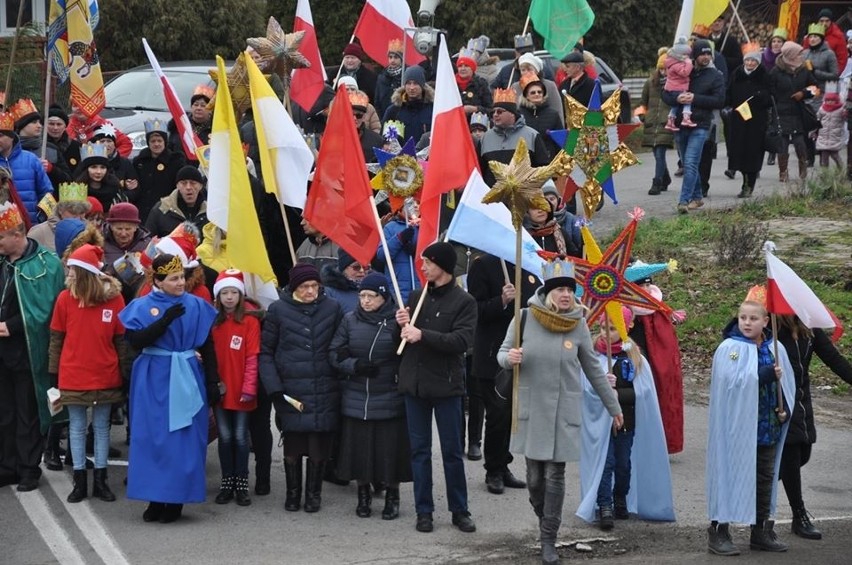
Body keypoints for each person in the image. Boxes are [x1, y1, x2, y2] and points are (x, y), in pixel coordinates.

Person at [496, 254, 623, 565]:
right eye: (559, 290)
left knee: (555, 476)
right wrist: (509, 357)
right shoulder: (524, 317)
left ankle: (548, 538)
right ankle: (544, 518)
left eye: (570, 290)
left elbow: (593, 369)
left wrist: (614, 407)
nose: (566, 295)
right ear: (547, 292)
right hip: (531, 409)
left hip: (564, 413)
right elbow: (501, 354)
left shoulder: (578, 325)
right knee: (535, 479)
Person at [118, 253, 220, 524]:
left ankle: (175, 500)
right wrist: (164, 320)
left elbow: (208, 347)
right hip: (152, 376)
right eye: (173, 279)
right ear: (158, 281)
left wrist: (213, 382)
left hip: (185, 374)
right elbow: (136, 341)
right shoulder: (142, 306)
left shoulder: (197, 305)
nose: (180, 283)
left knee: (182, 439)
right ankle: (155, 497)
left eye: (182, 278)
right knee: (152, 439)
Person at [395, 242, 477, 534]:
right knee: (419, 451)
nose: (423, 267)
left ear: (443, 265)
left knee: (452, 452)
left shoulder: (464, 301)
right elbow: (403, 343)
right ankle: (424, 510)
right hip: (415, 386)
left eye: (428, 262)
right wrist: (401, 326)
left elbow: (462, 342)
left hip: (446, 386)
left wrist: (422, 334)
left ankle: (459, 509)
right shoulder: (417, 296)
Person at [706, 286, 794, 555]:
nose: (747, 323)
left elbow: (789, 387)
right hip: (735, 431)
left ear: (766, 322)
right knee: (730, 476)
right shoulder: (729, 349)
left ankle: (761, 531)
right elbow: (730, 384)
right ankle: (719, 530)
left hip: (767, 427)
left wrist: (785, 412)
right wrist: (764, 374)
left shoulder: (775, 348)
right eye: (743, 317)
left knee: (765, 478)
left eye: (753, 319)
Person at [577, 306, 674, 531]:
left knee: (623, 464)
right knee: (606, 463)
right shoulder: (592, 356)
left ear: (625, 328)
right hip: (600, 425)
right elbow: (583, 388)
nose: (605, 333)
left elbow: (644, 392)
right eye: (602, 327)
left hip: (626, 423)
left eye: (611, 328)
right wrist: (600, 387)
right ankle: (604, 505)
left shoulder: (635, 357)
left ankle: (620, 496)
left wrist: (620, 393)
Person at [259, 263, 344, 513]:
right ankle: (293, 494)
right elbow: (266, 352)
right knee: (294, 445)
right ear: (295, 287)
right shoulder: (277, 310)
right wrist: (273, 387)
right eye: (305, 286)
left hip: (323, 387)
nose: (311, 291)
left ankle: (313, 495)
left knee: (319, 446)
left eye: (315, 286)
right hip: (290, 388)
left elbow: (341, 345)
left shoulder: (332, 308)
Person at [48, 244, 128, 503]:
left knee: (102, 428)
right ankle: (80, 481)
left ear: (84, 272)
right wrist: (53, 373)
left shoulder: (115, 299)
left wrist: (125, 371)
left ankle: (101, 481)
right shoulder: (65, 299)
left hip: (105, 372)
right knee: (77, 427)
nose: (69, 273)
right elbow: (56, 338)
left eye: (73, 269)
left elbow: (121, 340)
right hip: (73, 373)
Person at [329, 272, 412, 520]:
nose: (365, 300)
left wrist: (402, 330)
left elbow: (406, 353)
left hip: (389, 395)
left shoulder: (398, 320)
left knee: (389, 452)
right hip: (356, 396)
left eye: (371, 296)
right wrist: (354, 365)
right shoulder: (349, 320)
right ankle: (363, 495)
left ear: (383, 296)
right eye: (362, 295)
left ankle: (392, 496)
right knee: (360, 451)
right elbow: (335, 352)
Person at [0, 202, 64, 491]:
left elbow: (47, 309)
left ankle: (28, 469)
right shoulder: (2, 261)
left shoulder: (47, 264)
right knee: (5, 412)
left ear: (17, 234)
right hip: (2, 354)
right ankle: (7, 466)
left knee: (28, 412)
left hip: (27, 351)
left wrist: (10, 326)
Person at [466, 252, 537, 495]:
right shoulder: (483, 265)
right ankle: (493, 470)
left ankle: (503, 464)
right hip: (491, 354)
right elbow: (473, 310)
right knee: (496, 414)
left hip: (522, 352)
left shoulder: (527, 261)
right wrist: (502, 301)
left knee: (509, 415)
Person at [776, 315, 851, 540]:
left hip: (802, 399)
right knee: (791, 454)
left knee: (803, 455)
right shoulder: (771, 328)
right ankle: (799, 516)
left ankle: (758, 486)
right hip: (779, 401)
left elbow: (833, 359)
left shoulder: (810, 330)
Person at [210, 270, 261, 508]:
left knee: (240, 437)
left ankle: (241, 482)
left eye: (234, 292)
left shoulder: (249, 321)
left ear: (241, 295)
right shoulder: (213, 321)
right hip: (220, 389)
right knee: (225, 437)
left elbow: (252, 357)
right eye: (225, 293)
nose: (229, 297)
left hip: (242, 389)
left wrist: (249, 387)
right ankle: (226, 481)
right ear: (218, 296)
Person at [662, 39, 725, 214]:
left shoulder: (715, 75)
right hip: (680, 124)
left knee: (690, 162)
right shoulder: (684, 71)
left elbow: (720, 101)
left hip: (701, 125)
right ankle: (697, 197)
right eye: (702, 54)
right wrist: (676, 99)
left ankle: (684, 201)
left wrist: (694, 98)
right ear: (694, 56)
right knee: (689, 163)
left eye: (708, 54)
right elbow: (666, 94)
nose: (705, 57)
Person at [477, 89, 550, 187]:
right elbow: (478, 170)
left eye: (499, 111)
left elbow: (543, 168)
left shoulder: (532, 135)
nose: (495, 115)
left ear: (512, 114)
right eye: (493, 112)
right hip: (493, 198)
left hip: (524, 197)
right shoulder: (485, 138)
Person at [768, 41, 818, 183]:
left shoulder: (804, 70)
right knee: (782, 143)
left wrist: (803, 93)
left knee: (800, 142)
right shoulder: (776, 71)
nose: (801, 56)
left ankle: (803, 169)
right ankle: (783, 172)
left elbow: (816, 88)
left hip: (798, 111)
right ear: (790, 55)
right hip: (781, 111)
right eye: (798, 54)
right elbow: (770, 91)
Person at [726, 43, 771, 198]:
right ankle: (739, 174)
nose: (750, 64)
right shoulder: (737, 74)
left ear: (758, 63)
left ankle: (748, 185)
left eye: (754, 61)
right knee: (739, 151)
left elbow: (772, 97)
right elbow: (729, 93)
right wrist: (727, 106)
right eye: (748, 60)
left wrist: (762, 96)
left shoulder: (764, 75)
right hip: (738, 119)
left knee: (752, 153)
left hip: (756, 121)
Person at [0, 111, 54, 225]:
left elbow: (46, 192)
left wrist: (41, 217)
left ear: (11, 136)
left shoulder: (31, 159)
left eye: (1, 135)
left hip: (30, 225)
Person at [132, 119, 185, 223]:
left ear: (165, 142)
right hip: (142, 210)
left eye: (159, 141)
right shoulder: (139, 161)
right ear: (148, 143)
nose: (156, 144)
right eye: (153, 141)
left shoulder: (175, 161)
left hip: (165, 210)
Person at [10, 99, 71, 189]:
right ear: (22, 125)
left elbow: (69, 180)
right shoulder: (10, 149)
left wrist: (52, 169)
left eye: (39, 122)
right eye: (34, 122)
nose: (39, 126)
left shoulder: (51, 149)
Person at [101, 202, 153, 303]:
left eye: (128, 229)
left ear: (136, 227)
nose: (123, 233)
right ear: (111, 226)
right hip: (108, 299)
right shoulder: (100, 243)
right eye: (119, 228)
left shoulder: (147, 245)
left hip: (139, 300)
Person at [642, 49, 675, 195]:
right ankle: (665, 178)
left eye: (666, 68)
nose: (663, 72)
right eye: (661, 68)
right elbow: (643, 103)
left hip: (666, 123)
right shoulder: (650, 83)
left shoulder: (675, 84)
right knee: (657, 154)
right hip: (651, 123)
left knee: (660, 153)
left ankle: (657, 182)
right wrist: (644, 117)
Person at [145, 165, 209, 238]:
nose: (188, 187)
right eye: (184, 183)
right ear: (177, 186)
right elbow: (148, 239)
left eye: (193, 183)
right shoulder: (162, 209)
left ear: (200, 186)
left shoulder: (210, 213)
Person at [375, 203, 419, 305]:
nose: (416, 206)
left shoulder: (424, 227)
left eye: (418, 203)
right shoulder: (390, 227)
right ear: (401, 206)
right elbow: (382, 255)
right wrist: (399, 239)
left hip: (421, 286)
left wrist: (418, 250)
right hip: (397, 289)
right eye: (411, 203)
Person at [27, 183, 90, 252]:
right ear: (60, 210)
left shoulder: (90, 231)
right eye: (73, 213)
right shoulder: (38, 232)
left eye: (81, 213)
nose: (78, 218)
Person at [382, 66, 434, 143]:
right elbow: (385, 140)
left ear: (422, 85)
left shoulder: (432, 109)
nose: (411, 87)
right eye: (408, 83)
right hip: (401, 154)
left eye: (415, 83)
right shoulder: (394, 110)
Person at [518, 75, 562, 161]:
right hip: (525, 159)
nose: (537, 94)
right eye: (533, 92)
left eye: (539, 92)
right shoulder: (519, 114)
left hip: (548, 160)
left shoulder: (553, 114)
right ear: (526, 96)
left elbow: (558, 141)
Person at [762, 28, 788, 166]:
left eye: (779, 42)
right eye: (774, 41)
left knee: (776, 124)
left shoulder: (787, 58)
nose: (776, 44)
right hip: (767, 92)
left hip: (781, 94)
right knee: (767, 122)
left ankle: (773, 153)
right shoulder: (764, 57)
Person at [65, 105, 132, 158]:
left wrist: (112, 159)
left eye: (83, 105)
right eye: (75, 105)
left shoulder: (103, 124)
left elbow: (126, 143)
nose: (79, 108)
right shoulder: (65, 126)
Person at [76, 142, 125, 213]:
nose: (99, 171)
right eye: (94, 167)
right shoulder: (77, 191)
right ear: (86, 170)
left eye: (102, 167)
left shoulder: (115, 188)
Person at [167, 86, 213, 160]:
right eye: (196, 105)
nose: (199, 108)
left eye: (203, 105)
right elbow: (169, 149)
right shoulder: (179, 125)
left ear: (210, 110)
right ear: (191, 107)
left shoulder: (215, 129)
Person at [90, 124, 138, 194]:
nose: (106, 145)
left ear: (114, 144)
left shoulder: (125, 163)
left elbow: (135, 190)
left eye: (109, 141)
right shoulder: (88, 163)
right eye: (102, 141)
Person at [321, 248, 370, 314]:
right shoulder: (329, 292)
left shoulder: (376, 288)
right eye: (356, 267)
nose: (362, 271)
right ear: (344, 269)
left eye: (365, 267)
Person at [663, 37, 696, 130]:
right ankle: (686, 118)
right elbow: (685, 72)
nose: (687, 57)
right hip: (678, 88)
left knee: (675, 105)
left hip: (673, 87)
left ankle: (671, 121)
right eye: (686, 55)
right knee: (687, 101)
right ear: (680, 54)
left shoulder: (672, 62)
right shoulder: (676, 64)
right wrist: (689, 63)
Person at [455, 49, 493, 121]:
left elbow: (490, 110)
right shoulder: (451, 84)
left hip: (476, 127)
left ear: (472, 68)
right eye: (460, 66)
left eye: (466, 66)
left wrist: (475, 109)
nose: (463, 69)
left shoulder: (481, 84)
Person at [45, 105, 82, 173]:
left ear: (65, 126)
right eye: (51, 124)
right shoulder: (39, 146)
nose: (55, 128)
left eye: (59, 124)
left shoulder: (76, 146)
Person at [374, 39, 404, 118]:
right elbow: (377, 101)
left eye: (396, 57)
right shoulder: (381, 77)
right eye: (390, 57)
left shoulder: (406, 76)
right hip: (384, 118)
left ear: (401, 59)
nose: (392, 60)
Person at [811, 8, 848, 73]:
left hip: (829, 75)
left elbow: (842, 59)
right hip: (812, 74)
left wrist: (834, 74)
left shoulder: (838, 36)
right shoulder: (811, 34)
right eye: (821, 21)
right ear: (818, 21)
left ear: (831, 21)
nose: (824, 23)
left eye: (827, 21)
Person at [816, 91, 846, 168]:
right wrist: (813, 131)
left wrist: (845, 114)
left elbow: (845, 118)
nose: (829, 102)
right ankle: (824, 173)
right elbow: (817, 120)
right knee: (824, 158)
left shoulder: (840, 110)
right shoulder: (822, 109)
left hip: (834, 136)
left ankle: (841, 170)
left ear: (836, 101)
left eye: (832, 100)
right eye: (828, 100)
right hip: (823, 136)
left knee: (835, 155)